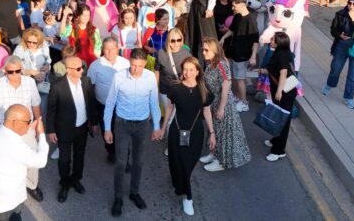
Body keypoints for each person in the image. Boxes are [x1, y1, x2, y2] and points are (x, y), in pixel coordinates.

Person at [103, 48, 164, 217]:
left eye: (139, 66)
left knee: (139, 162)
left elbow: (153, 101)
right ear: (129, 61)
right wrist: (107, 128)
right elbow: (110, 103)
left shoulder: (150, 77)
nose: (135, 69)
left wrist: (156, 126)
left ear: (145, 64)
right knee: (121, 163)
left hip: (142, 125)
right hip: (122, 124)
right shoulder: (119, 76)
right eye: (133, 65)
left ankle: (134, 192)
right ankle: (118, 198)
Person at [0, 56, 45, 203]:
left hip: (27, 128)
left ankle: (32, 185)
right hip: (4, 131)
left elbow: (35, 105)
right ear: (5, 71)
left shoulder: (30, 83)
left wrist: (39, 127)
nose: (15, 75)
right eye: (11, 72)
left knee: (32, 159)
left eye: (18, 71)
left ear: (21, 70)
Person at [0, 104, 49, 221]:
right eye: (27, 122)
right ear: (15, 123)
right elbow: (41, 161)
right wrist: (42, 134)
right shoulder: (17, 147)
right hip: (9, 202)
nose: (29, 125)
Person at [160, 57, 215, 216]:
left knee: (188, 165)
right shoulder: (176, 89)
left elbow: (206, 112)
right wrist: (163, 128)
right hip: (177, 132)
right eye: (185, 69)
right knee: (178, 164)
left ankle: (182, 186)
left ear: (197, 71)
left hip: (196, 133)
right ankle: (188, 197)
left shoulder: (203, 89)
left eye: (191, 69)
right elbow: (170, 108)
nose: (188, 73)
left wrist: (212, 134)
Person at [46, 56, 99, 202]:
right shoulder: (57, 86)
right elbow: (51, 110)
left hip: (82, 127)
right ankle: (64, 184)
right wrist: (50, 130)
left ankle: (76, 179)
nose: (82, 70)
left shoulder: (86, 82)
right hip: (64, 129)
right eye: (78, 68)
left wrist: (93, 122)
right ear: (68, 70)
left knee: (79, 156)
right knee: (64, 160)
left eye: (82, 66)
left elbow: (91, 103)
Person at [198, 38, 251, 170]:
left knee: (222, 132)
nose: (203, 52)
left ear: (215, 50)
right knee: (214, 130)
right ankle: (214, 153)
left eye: (206, 50)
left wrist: (221, 108)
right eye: (202, 49)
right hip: (213, 102)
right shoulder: (211, 64)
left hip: (223, 104)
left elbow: (226, 87)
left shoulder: (221, 65)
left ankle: (221, 161)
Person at [323, 0, 354, 109]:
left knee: (353, 74)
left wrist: (353, 18)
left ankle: (348, 97)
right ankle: (330, 84)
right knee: (335, 68)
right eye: (350, 3)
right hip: (342, 44)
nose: (352, 6)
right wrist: (339, 35)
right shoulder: (340, 14)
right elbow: (333, 30)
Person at [87, 38, 130, 163]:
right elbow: (90, 87)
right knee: (107, 130)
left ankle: (125, 159)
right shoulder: (95, 65)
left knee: (123, 134)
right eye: (106, 49)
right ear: (102, 50)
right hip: (103, 106)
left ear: (117, 49)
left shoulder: (126, 64)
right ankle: (111, 151)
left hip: (122, 106)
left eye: (112, 48)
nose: (110, 51)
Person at [219, 0, 259, 112]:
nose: (232, 8)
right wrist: (223, 37)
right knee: (236, 77)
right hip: (234, 52)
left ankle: (244, 102)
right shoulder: (237, 16)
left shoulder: (250, 20)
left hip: (243, 54)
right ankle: (237, 97)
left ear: (242, 5)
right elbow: (232, 30)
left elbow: (255, 41)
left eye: (234, 6)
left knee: (240, 78)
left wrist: (253, 56)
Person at [263, 32, 296, 162]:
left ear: (279, 42)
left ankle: (278, 151)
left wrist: (279, 91)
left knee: (282, 120)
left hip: (285, 92)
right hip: (283, 90)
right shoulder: (279, 52)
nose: (270, 40)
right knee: (278, 116)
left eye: (273, 39)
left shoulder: (281, 55)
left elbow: (283, 73)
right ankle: (275, 140)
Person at [155, 28, 191, 134]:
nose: (176, 43)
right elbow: (157, 71)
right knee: (169, 116)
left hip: (181, 90)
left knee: (176, 117)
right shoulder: (161, 53)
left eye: (178, 40)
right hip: (165, 90)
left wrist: (182, 80)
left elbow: (191, 71)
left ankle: (173, 142)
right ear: (168, 41)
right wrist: (156, 89)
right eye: (173, 40)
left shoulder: (186, 53)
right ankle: (170, 143)